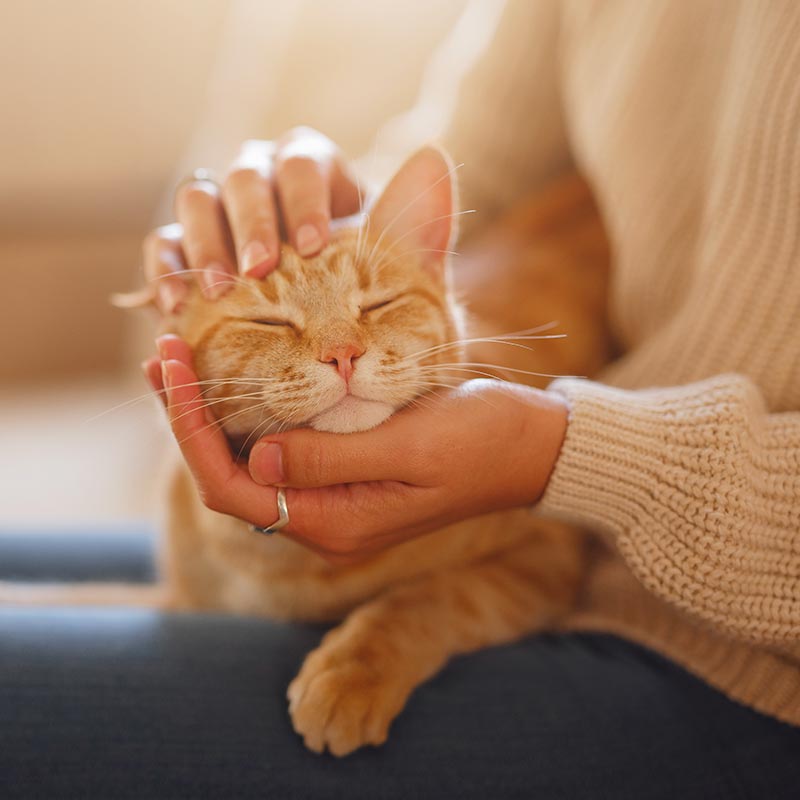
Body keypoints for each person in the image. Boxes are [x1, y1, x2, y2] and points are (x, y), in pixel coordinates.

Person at [2, 1, 798, 796]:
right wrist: (327, 203)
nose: (338, 350)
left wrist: (548, 458)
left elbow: (543, 554)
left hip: (729, 660)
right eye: (275, 325)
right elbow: (462, 170)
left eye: (367, 318)